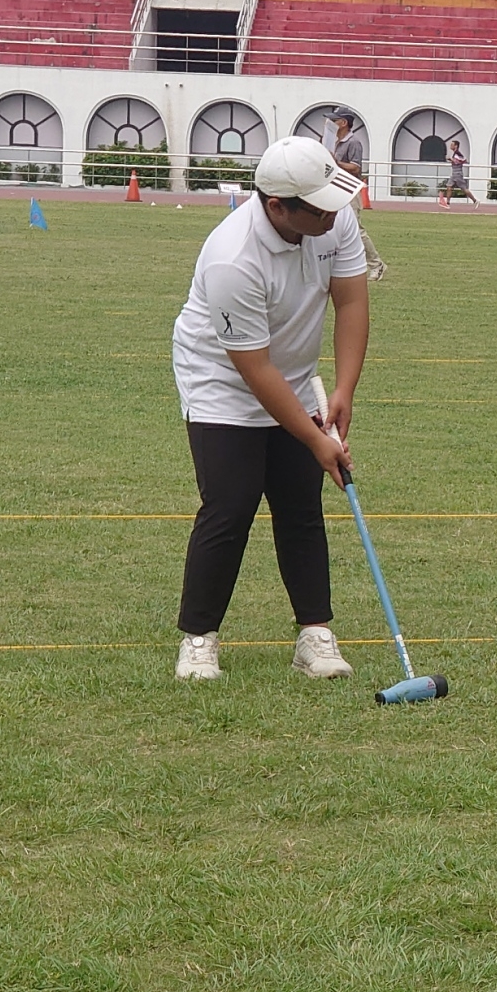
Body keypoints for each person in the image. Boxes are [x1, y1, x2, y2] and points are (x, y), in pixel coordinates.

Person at [169, 136, 370, 681]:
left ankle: (315, 636)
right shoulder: (233, 257)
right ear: (278, 206)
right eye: (320, 205)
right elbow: (253, 367)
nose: (335, 211)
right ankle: (199, 639)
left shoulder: (333, 218)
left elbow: (350, 299)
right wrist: (313, 439)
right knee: (230, 503)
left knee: (300, 502)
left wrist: (344, 390)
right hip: (222, 379)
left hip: (296, 373)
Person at [328, 108, 385, 282]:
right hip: (336, 189)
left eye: (334, 120)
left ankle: (376, 264)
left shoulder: (353, 142)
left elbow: (356, 168)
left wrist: (336, 163)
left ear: (343, 123)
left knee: (357, 230)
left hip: (349, 190)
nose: (330, 124)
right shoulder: (335, 142)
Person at [447, 139, 470, 206]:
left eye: (452, 145)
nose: (450, 146)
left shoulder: (457, 153)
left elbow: (463, 160)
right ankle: (447, 202)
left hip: (458, 173)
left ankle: (475, 200)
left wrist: (451, 160)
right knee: (449, 186)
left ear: (456, 146)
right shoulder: (454, 153)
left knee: (464, 188)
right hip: (454, 173)